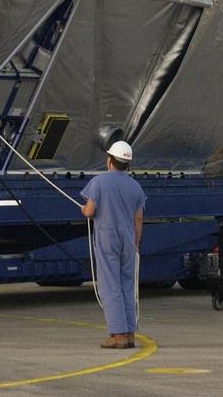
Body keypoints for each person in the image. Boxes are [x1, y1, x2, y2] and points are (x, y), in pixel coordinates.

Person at [80, 140, 146, 349]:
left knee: (110, 286)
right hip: (128, 240)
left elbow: (90, 211)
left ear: (109, 161)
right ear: (127, 164)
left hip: (108, 239)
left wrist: (83, 210)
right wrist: (135, 243)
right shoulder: (135, 186)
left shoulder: (99, 182)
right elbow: (138, 220)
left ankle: (117, 334)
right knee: (127, 285)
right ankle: (129, 333)